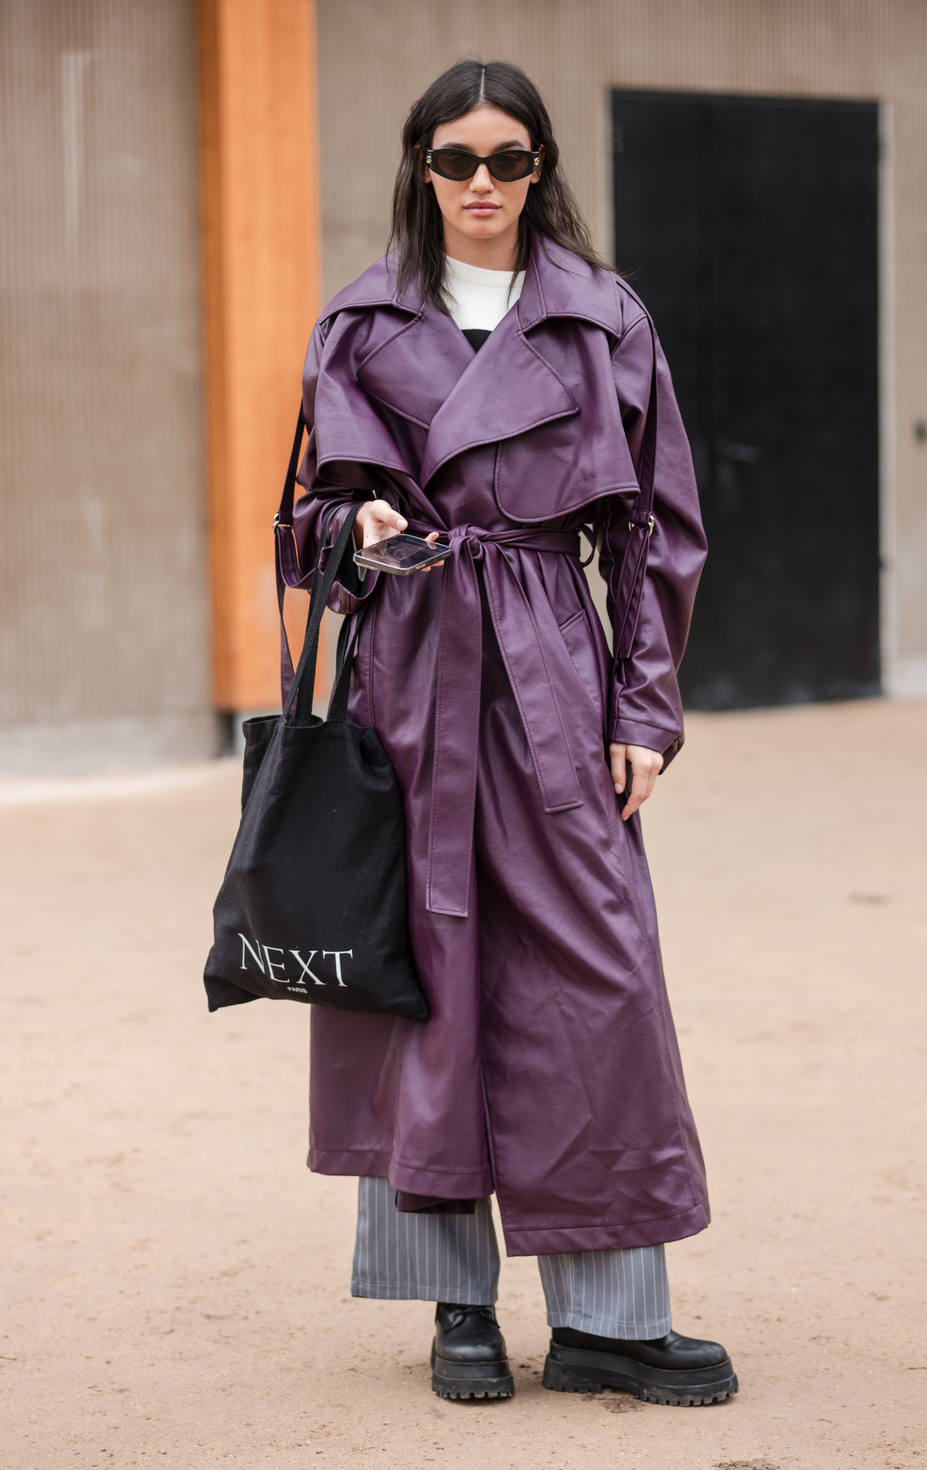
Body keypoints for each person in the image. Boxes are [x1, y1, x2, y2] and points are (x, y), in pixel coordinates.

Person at [290, 59, 735, 1408]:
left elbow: (656, 528)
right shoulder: (361, 321)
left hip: (553, 665)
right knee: (422, 979)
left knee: (599, 976)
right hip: (411, 667)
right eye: (455, 160)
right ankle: (458, 1306)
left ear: (543, 169)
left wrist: (645, 708)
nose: (481, 185)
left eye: (509, 159)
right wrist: (354, 531)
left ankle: (608, 1311)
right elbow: (304, 515)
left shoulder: (603, 320)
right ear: (419, 167)